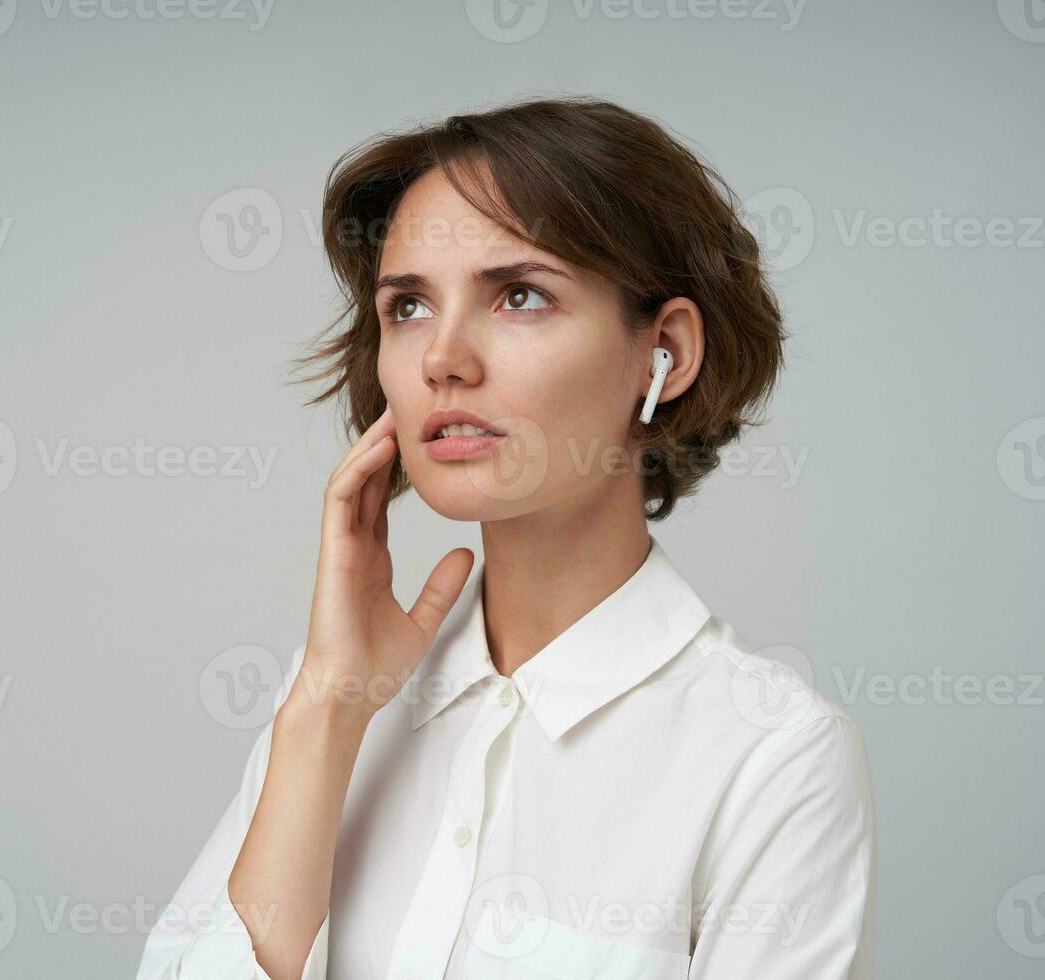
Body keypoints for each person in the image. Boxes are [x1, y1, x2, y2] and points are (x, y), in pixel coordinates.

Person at [137, 96, 876, 980]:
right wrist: (328, 706)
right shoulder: (332, 715)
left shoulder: (769, 757)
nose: (442, 358)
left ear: (666, 353)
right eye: (407, 307)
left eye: (519, 296)